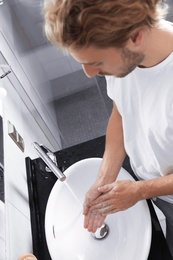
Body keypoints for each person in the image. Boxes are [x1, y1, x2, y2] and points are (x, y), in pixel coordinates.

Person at [43, 0, 173, 256]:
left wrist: (140, 191)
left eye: (96, 62)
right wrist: (103, 180)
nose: (89, 73)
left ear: (134, 36)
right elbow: (122, 112)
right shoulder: (128, 57)